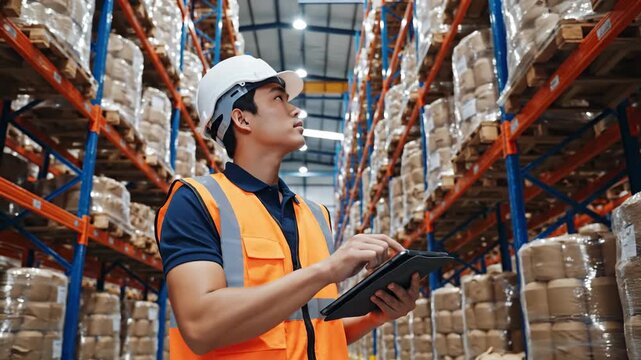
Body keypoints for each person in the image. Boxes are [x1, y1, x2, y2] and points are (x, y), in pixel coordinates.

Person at [155, 55, 420, 359]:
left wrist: (378, 315)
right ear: (242, 119)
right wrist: (327, 270)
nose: (295, 109)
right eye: (278, 98)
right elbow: (201, 327)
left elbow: (314, 330)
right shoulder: (196, 201)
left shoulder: (315, 215)